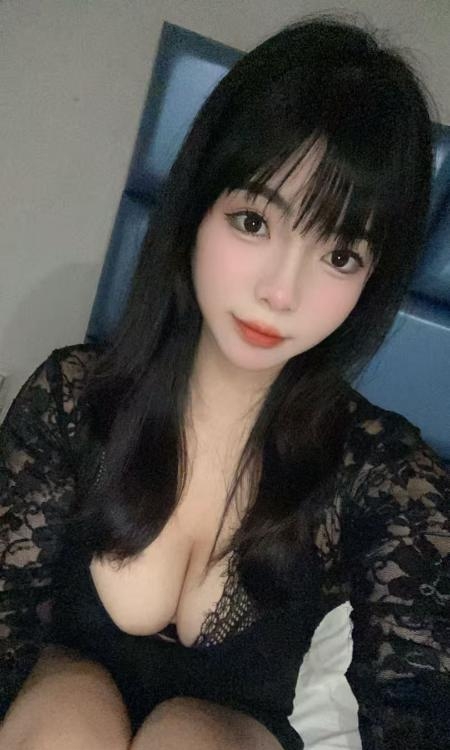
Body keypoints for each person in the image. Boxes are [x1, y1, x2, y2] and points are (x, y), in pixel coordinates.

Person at [0, 13, 449, 750]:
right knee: (68, 717)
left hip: (232, 734)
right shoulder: (71, 399)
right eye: (254, 222)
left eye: (340, 256)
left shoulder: (384, 474)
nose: (281, 292)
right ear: (196, 209)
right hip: (55, 708)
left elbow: (419, 699)